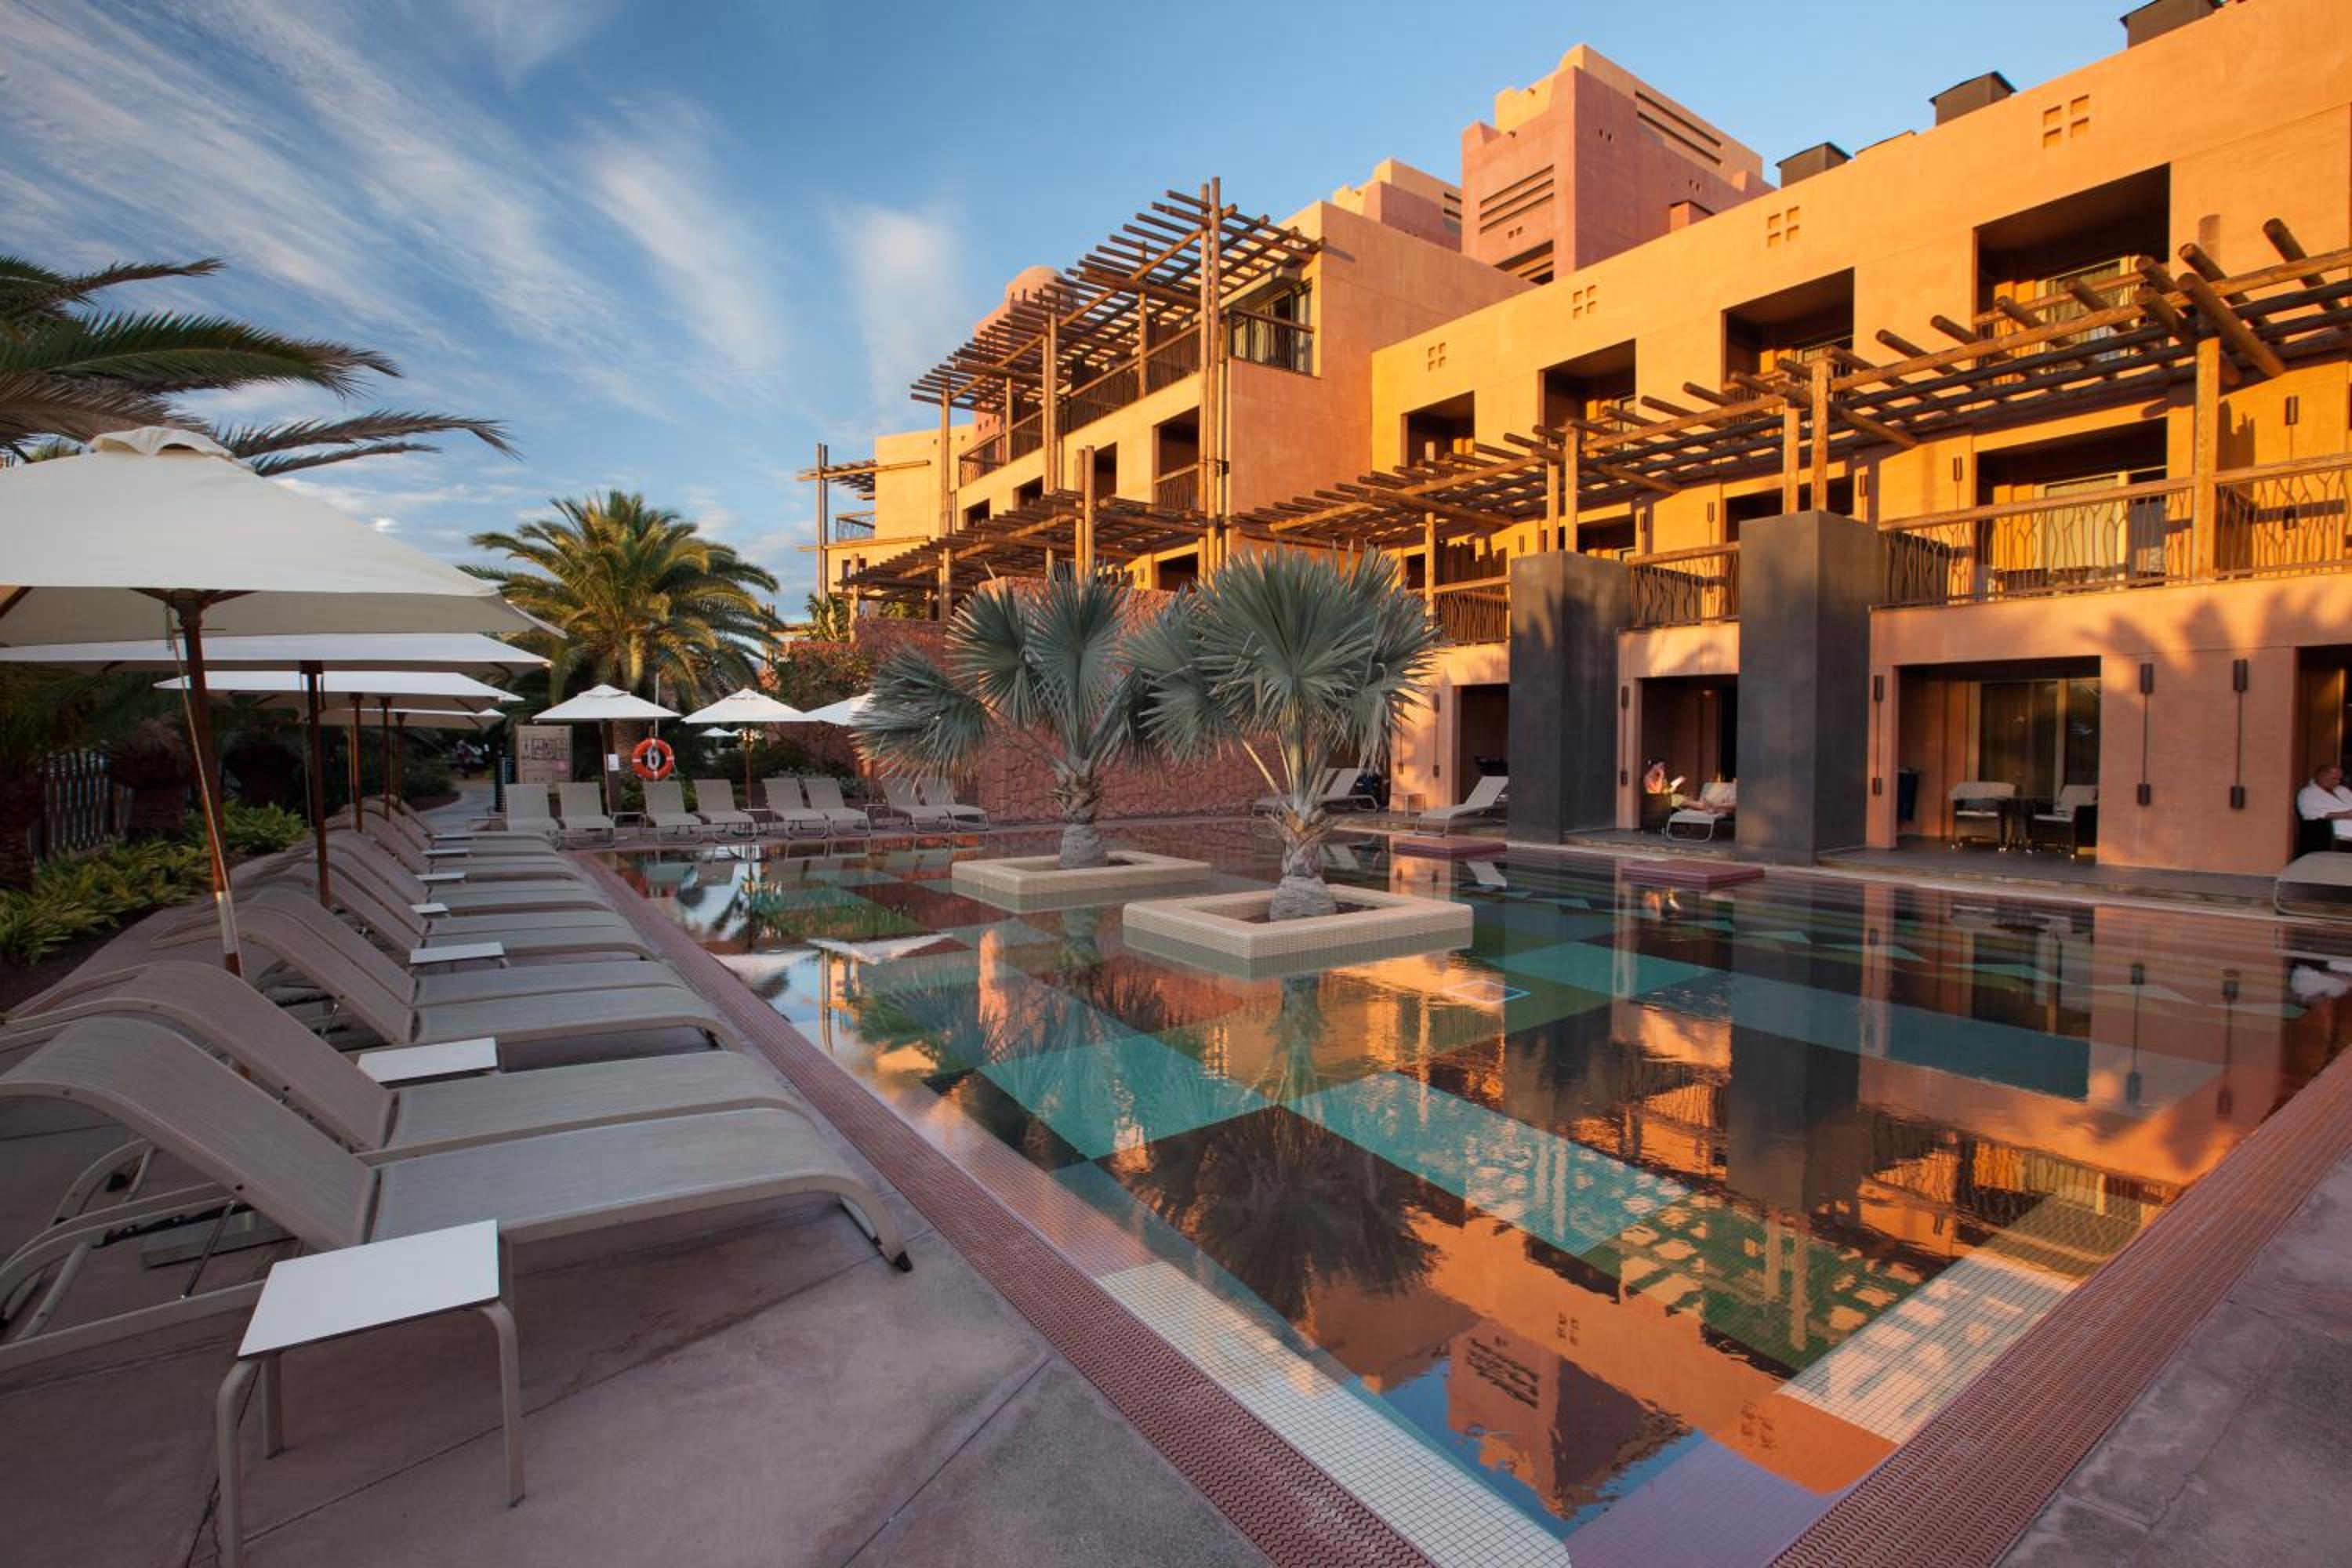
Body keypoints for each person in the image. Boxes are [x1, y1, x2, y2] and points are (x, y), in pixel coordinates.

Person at [2296, 762, 2352, 846]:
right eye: (2334, 779)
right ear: (2320, 775)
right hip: (2333, 832)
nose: (2337, 782)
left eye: (2339, 779)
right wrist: (2345, 814)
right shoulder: (2308, 793)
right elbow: (2310, 814)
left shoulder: (2343, 790)